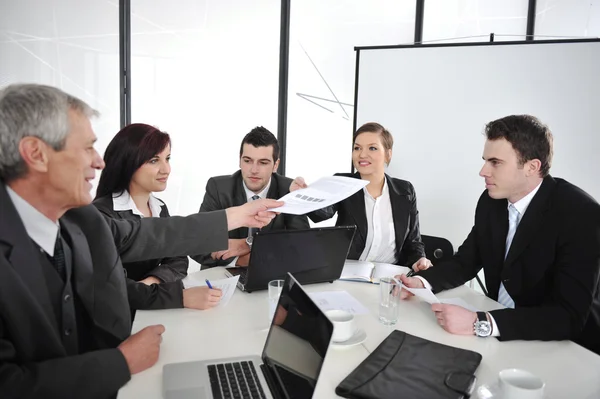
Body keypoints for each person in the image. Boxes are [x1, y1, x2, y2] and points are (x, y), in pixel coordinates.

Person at [0, 83, 281, 398]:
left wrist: (238, 216)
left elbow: (153, 234)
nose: (99, 162)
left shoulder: (81, 219)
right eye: (87, 147)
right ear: (36, 154)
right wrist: (121, 362)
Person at [398, 115, 600, 355]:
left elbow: (567, 316)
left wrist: (480, 322)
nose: (483, 171)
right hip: (499, 340)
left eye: (495, 162)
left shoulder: (581, 214)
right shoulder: (490, 202)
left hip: (564, 349)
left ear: (532, 167)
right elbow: (466, 261)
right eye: (485, 160)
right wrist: (420, 283)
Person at [290, 122, 431, 270]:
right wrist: (301, 195)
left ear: (388, 154)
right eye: (357, 148)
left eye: (372, 148)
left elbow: (413, 241)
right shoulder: (344, 182)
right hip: (348, 272)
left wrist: (419, 259)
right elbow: (322, 213)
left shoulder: (405, 190)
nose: (362, 154)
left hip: (390, 274)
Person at [192, 126, 309, 268]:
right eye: (247, 161)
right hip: (223, 276)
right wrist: (239, 261)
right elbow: (197, 244)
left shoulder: (289, 190)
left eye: (263, 163)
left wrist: (248, 244)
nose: (253, 170)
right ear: (239, 160)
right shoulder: (218, 188)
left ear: (275, 165)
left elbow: (301, 245)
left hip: (272, 275)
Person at [94, 123, 188, 285]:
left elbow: (178, 258)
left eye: (167, 158)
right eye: (154, 160)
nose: (166, 169)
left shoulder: (159, 207)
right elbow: (109, 281)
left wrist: (153, 281)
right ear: (128, 163)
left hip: (151, 301)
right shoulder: (103, 214)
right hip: (120, 306)